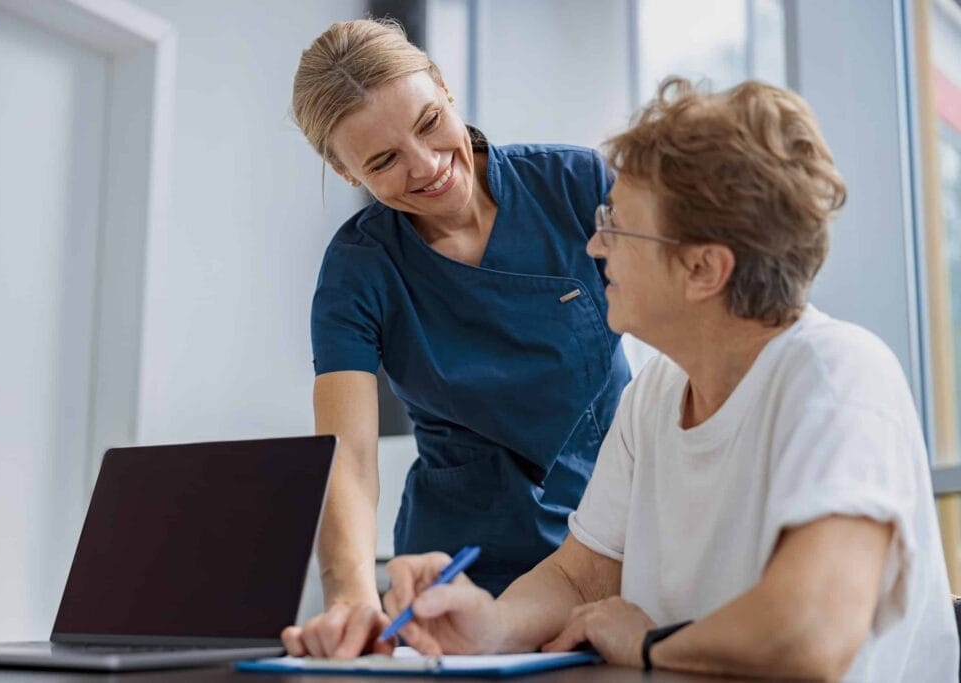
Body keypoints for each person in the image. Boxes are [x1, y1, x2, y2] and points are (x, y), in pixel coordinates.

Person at [379, 77, 960, 680]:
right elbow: (581, 573)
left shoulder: (838, 376)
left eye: (619, 224)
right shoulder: (655, 395)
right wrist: (491, 626)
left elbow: (810, 633)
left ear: (702, 268)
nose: (597, 244)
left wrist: (651, 643)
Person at [280, 19, 631, 658]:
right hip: (460, 574)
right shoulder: (360, 268)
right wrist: (351, 594)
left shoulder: (576, 186)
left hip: (611, 549)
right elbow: (348, 457)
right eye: (383, 160)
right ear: (345, 169)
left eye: (428, 122)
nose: (428, 166)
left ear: (443, 87)